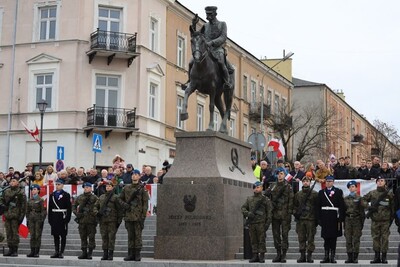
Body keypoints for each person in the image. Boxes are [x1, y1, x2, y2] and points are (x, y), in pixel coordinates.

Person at [184, 6, 233, 91]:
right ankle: (190, 80)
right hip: (207, 50)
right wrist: (194, 24)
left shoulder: (222, 24)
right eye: (207, 14)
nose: (208, 16)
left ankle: (227, 82)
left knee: (221, 62)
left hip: (218, 49)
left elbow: (223, 37)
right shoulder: (205, 26)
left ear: (215, 14)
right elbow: (197, 35)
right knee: (191, 62)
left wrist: (212, 42)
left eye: (210, 14)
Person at [120, 169, 149, 261]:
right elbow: (119, 199)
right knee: (130, 236)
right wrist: (124, 205)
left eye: (136, 174)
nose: (134, 176)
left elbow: (145, 203)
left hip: (138, 216)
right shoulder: (126, 188)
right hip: (128, 216)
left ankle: (137, 254)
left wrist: (143, 216)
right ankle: (130, 254)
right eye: (133, 174)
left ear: (139, 176)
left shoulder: (142, 189)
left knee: (138, 236)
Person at [363, 177, 394, 264]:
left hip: (385, 221)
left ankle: (384, 257)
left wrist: (392, 217)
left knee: (385, 238)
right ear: (376, 183)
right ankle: (377, 257)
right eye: (378, 181)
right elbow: (363, 200)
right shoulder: (372, 193)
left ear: (385, 183)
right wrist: (369, 206)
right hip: (375, 220)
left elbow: (393, 206)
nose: (380, 182)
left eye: (382, 181)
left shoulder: (389, 194)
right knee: (375, 238)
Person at [316, 175, 345, 263]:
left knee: (333, 238)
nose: (328, 183)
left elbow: (342, 205)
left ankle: (332, 256)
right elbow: (318, 206)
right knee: (326, 238)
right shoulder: (321, 192)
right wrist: (319, 218)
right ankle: (326, 256)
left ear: (333, 182)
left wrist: (341, 218)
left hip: (334, 217)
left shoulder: (338, 191)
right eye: (327, 181)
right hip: (325, 216)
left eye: (330, 181)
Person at [241, 181, 272, 263]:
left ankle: (261, 255)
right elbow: (243, 208)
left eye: (258, 187)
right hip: (252, 223)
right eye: (255, 187)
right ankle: (255, 255)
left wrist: (267, 224)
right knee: (253, 240)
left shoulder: (265, 199)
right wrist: (248, 213)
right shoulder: (249, 199)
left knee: (261, 240)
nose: (256, 189)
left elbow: (269, 212)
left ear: (261, 188)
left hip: (261, 223)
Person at [268, 167, 293, 263]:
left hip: (285, 214)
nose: (279, 175)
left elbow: (291, 199)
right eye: (278, 173)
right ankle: (278, 253)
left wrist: (289, 212)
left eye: (281, 173)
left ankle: (284, 254)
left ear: (284, 175)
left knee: (285, 234)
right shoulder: (273, 186)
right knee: (276, 235)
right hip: (275, 214)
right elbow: (267, 196)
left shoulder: (288, 186)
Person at [95, 180, 124, 261]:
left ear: (112, 187)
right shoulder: (101, 197)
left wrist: (119, 221)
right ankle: (105, 254)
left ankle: (110, 254)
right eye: (107, 186)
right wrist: (97, 213)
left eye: (109, 186)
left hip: (112, 221)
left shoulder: (116, 197)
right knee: (104, 237)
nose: (108, 187)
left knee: (111, 238)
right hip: (103, 221)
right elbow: (95, 206)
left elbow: (120, 210)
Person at [293, 176, 318, 263]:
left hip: (311, 219)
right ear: (302, 182)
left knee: (311, 238)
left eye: (307, 181)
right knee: (301, 238)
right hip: (301, 220)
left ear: (310, 182)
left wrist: (316, 218)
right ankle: (302, 255)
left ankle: (309, 256)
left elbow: (317, 207)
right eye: (304, 181)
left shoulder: (315, 194)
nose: (305, 183)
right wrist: (296, 213)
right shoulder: (298, 194)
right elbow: (294, 206)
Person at [0, 176, 26, 256]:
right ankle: (10, 249)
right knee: (9, 233)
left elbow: (23, 206)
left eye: (14, 181)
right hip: (7, 215)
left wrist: (21, 217)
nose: (12, 182)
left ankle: (15, 250)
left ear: (17, 182)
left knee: (14, 233)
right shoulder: (6, 191)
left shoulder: (20, 192)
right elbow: (1, 199)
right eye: (11, 181)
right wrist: (3, 206)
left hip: (16, 216)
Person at [72, 182, 98, 260]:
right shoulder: (80, 197)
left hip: (91, 221)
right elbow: (74, 205)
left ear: (91, 188)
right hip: (82, 220)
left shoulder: (94, 198)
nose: (86, 188)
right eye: (85, 187)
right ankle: (84, 252)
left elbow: (98, 206)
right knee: (83, 237)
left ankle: (90, 253)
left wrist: (95, 214)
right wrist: (76, 213)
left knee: (91, 237)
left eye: (87, 187)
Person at [48, 179, 72, 259]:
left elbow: (69, 208)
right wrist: (50, 219)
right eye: (56, 184)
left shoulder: (66, 195)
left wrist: (67, 219)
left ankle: (61, 252)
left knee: (63, 235)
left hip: (62, 217)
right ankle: (56, 251)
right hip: (54, 216)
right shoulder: (52, 195)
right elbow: (50, 207)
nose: (57, 186)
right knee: (55, 235)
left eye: (59, 184)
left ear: (62, 185)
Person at [343, 180, 366, 263]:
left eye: (353, 186)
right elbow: (343, 210)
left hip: (356, 220)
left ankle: (355, 257)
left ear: (356, 188)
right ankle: (349, 257)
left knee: (356, 239)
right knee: (348, 239)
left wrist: (361, 223)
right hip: (348, 220)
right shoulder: (345, 199)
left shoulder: (360, 198)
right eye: (350, 187)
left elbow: (362, 211)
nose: (351, 188)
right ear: (348, 188)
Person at [26, 184, 47, 258]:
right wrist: (28, 218)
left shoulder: (41, 199)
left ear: (38, 190)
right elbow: (27, 211)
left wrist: (41, 219)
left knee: (37, 236)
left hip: (38, 219)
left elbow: (43, 211)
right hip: (31, 219)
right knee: (32, 236)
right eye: (32, 189)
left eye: (35, 189)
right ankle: (32, 251)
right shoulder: (29, 200)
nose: (33, 191)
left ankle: (36, 252)